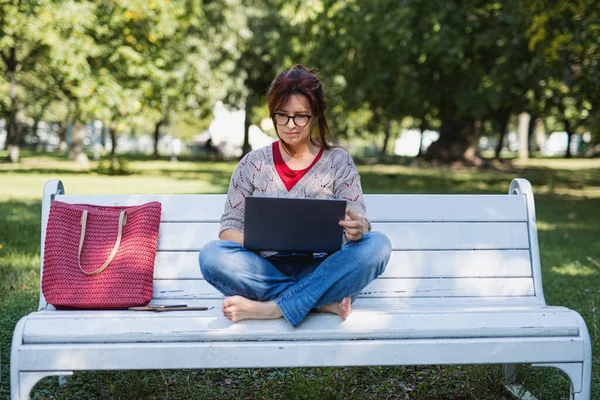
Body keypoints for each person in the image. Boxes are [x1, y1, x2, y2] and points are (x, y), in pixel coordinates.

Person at [199, 64, 391, 327]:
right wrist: (258, 241)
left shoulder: (339, 162)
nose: (290, 125)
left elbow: (361, 221)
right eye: (282, 116)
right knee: (211, 256)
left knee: (378, 245)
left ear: (315, 116)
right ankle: (320, 303)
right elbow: (228, 229)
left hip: (322, 268)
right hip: (263, 269)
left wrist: (359, 228)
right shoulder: (252, 163)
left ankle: (271, 308)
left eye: (300, 116)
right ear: (273, 113)